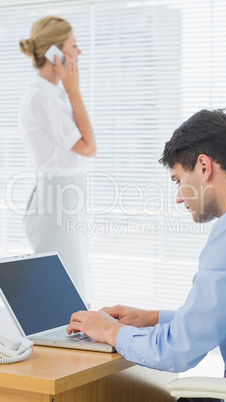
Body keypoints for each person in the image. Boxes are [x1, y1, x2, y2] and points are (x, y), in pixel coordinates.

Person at [67, 108, 226, 400]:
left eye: (177, 180)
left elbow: (179, 349)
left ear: (203, 166)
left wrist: (110, 331)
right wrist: (151, 318)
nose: (177, 196)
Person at [19, 16, 96, 303]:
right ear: (56, 54)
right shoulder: (43, 97)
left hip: (65, 194)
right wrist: (74, 90)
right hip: (57, 197)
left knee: (74, 281)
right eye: (73, 46)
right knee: (66, 290)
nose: (78, 53)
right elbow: (88, 147)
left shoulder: (53, 94)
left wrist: (70, 91)